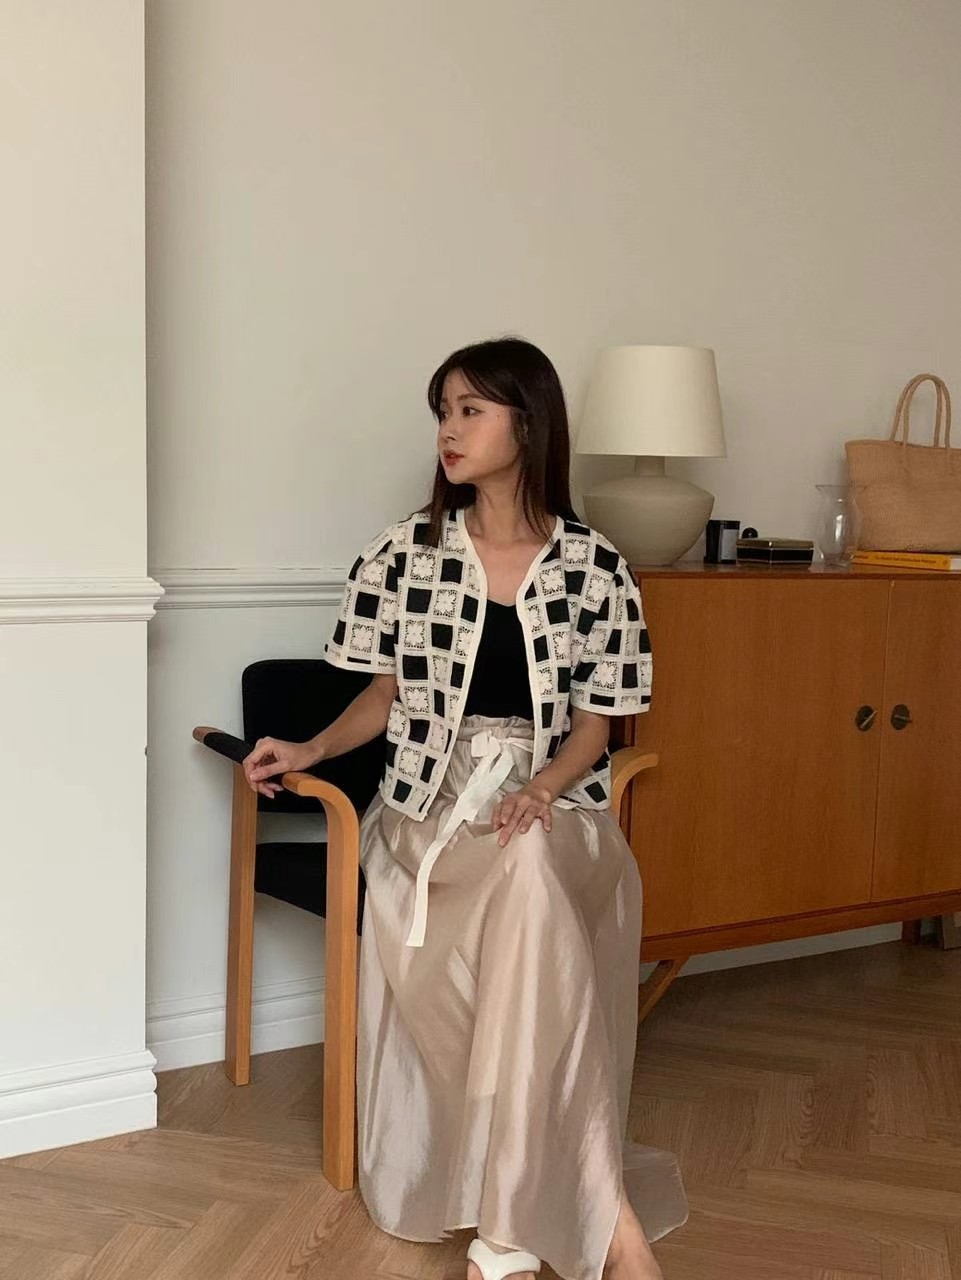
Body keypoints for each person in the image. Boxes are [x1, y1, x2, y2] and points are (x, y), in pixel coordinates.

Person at [243, 338, 688, 1280]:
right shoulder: (402, 553)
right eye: (442, 410)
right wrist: (311, 749)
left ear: (528, 423)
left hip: (556, 800)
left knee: (530, 860)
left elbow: (596, 728)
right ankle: (600, 1222)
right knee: (518, 885)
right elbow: (385, 696)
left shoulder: (596, 567)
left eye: (470, 410)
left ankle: (524, 1222)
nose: (448, 429)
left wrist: (539, 789)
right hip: (430, 806)